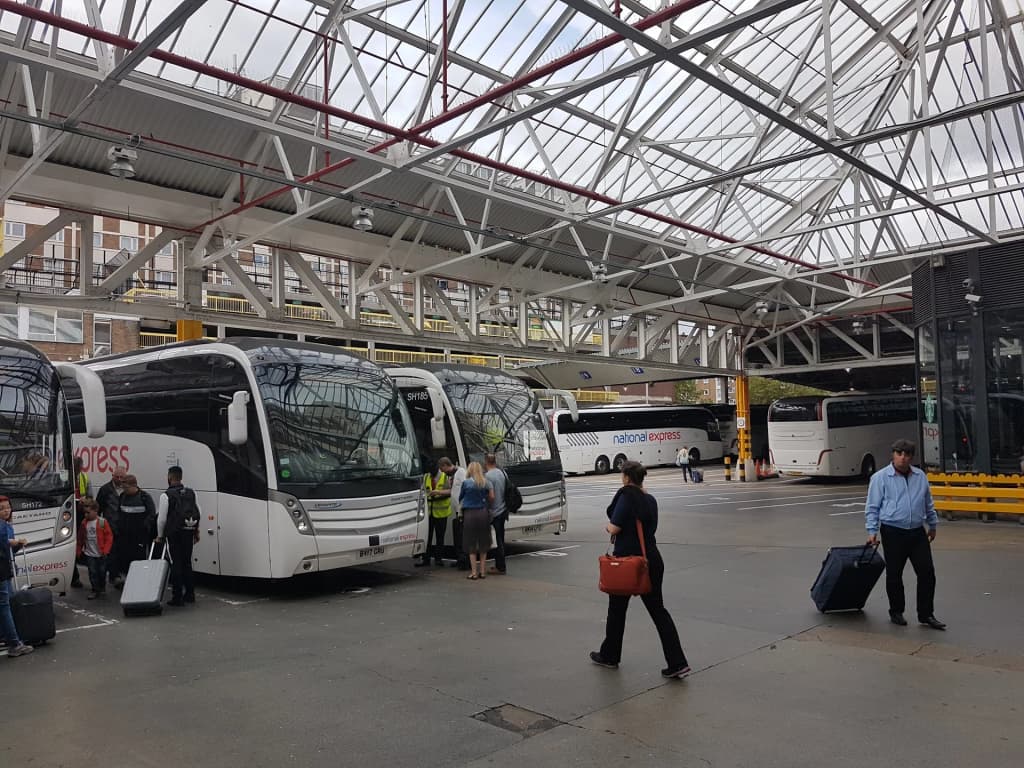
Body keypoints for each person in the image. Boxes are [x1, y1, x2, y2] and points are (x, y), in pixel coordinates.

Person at [590, 461, 690, 679]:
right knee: (658, 611)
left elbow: (614, 526)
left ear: (626, 477)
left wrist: (608, 527)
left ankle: (610, 655)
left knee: (616, 611)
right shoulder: (650, 500)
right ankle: (677, 662)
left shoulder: (626, 496)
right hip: (651, 560)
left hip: (628, 563)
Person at [866, 439, 945, 630]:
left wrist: (932, 525)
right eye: (899, 453)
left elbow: (928, 502)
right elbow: (873, 506)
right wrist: (872, 530)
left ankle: (926, 614)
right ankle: (896, 611)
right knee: (894, 574)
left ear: (911, 457)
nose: (903, 458)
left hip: (917, 531)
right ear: (893, 455)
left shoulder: (920, 476)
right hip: (893, 531)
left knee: (927, 572)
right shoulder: (880, 478)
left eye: (907, 454)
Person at [155, 466, 201, 607]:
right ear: (181, 477)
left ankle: (177, 597)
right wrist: (196, 530)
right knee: (187, 562)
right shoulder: (191, 493)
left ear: (169, 477)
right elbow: (199, 512)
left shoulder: (166, 495)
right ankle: (190, 594)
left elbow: (162, 519)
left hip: (174, 534)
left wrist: (160, 536)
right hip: (188, 530)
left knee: (176, 563)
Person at [0, 495, 34, 657]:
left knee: (7, 603)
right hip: (1, 570)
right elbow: (5, 543)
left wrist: (17, 545)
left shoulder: (7, 525)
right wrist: (12, 542)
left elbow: (10, 551)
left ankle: (6, 636)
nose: (6, 510)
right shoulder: (2, 526)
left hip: (5, 567)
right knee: (5, 605)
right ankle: (14, 643)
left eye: (7, 507)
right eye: (2, 508)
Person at [458, 462, 494, 581]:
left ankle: (474, 572)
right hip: (483, 513)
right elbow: (491, 497)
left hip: (470, 514)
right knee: (483, 542)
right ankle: (482, 571)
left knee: (471, 543)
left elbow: (460, 497)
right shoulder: (486, 482)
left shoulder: (466, 483)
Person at [416, 458, 454, 567]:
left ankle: (438, 559)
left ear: (437, 468)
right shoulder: (426, 476)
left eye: (432, 472)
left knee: (440, 537)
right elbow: (422, 491)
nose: (431, 474)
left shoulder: (445, 477)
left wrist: (437, 494)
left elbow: (450, 492)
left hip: (441, 512)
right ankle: (426, 559)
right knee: (427, 536)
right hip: (429, 513)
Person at [75, 497, 113, 600]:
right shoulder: (84, 523)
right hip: (90, 553)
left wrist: (106, 550)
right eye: (85, 513)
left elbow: (109, 537)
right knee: (92, 572)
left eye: (88, 512)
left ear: (95, 511)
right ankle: (95, 589)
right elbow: (81, 538)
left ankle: (102, 586)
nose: (86, 515)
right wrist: (79, 550)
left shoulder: (102, 522)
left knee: (102, 571)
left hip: (101, 553)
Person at [118, 475, 156, 573]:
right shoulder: (122, 497)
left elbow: (152, 514)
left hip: (139, 537)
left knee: (139, 561)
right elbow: (119, 513)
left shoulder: (145, 497)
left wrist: (144, 527)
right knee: (124, 560)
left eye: (126, 487)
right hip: (125, 537)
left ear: (133, 485)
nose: (124, 490)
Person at [96, 466, 126, 586]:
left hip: (123, 527)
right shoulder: (105, 490)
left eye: (121, 477)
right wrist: (102, 526)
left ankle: (118, 573)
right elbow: (99, 509)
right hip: (110, 526)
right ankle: (114, 576)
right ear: (112, 476)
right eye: (117, 477)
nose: (119, 479)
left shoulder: (126, 488)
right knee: (112, 552)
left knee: (121, 551)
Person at [483, 453, 508, 575]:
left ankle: (500, 566)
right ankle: (499, 565)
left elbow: (490, 496)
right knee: (501, 539)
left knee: (496, 540)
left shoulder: (487, 476)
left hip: (494, 511)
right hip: (503, 509)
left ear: (486, 462)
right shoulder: (502, 473)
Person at [70, 455, 91, 589]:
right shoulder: (63, 477)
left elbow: (91, 496)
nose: (78, 470)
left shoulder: (84, 477)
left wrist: (86, 500)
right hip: (70, 515)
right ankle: (74, 577)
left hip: (81, 514)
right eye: (76, 467)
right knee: (71, 546)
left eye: (79, 467)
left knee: (83, 543)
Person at [446, 459, 468, 570]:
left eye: (443, 469)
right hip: (457, 510)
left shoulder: (461, 472)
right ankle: (460, 559)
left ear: (446, 466)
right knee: (458, 535)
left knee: (462, 536)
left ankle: (464, 560)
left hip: (462, 510)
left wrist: (462, 507)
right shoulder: (453, 475)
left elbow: (465, 488)